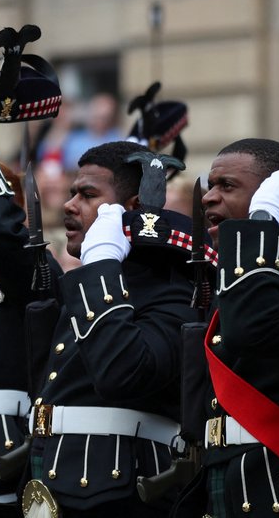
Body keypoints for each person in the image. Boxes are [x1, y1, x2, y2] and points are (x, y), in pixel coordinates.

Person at [24, 136, 196, 517]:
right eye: (71, 192)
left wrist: (102, 264)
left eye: (87, 195)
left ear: (131, 209)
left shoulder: (173, 292)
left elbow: (124, 372)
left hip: (120, 494)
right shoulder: (90, 285)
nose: (69, 205)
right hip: (57, 480)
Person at [190, 138, 279, 517]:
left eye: (227, 186)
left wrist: (264, 218)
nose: (208, 198)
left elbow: (254, 331)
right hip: (224, 476)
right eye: (210, 186)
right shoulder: (230, 280)